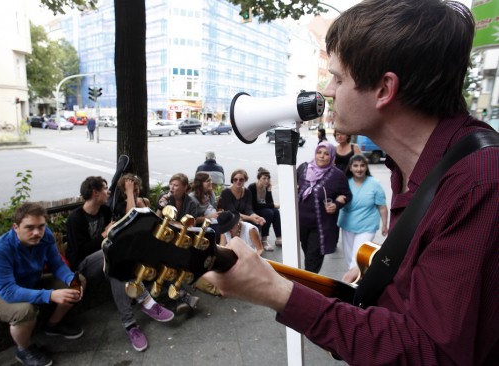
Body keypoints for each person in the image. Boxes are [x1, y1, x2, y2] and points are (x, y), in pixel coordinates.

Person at [203, 1, 498, 364]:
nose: (327, 91)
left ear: (384, 90)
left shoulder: (479, 184)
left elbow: (431, 354)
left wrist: (275, 292)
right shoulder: (416, 166)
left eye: (339, 78)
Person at [66, 176, 174, 353]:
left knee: (117, 265)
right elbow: (77, 254)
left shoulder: (105, 212)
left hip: (108, 260)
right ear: (94, 192)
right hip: (84, 267)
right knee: (115, 254)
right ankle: (147, 301)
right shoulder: (76, 219)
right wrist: (102, 236)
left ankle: (130, 325)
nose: (108, 192)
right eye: (105, 189)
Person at [0, 202, 84, 366]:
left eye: (41, 226)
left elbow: (57, 264)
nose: (37, 232)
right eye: (29, 227)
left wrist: (72, 279)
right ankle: (24, 349)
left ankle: (52, 325)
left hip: (30, 284)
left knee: (79, 281)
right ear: (16, 227)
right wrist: (50, 295)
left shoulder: (45, 235)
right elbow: (8, 291)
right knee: (25, 310)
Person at [297, 141, 351, 273]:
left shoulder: (338, 175)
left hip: (320, 227)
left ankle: (308, 286)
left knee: (312, 260)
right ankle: (308, 282)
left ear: (332, 156)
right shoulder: (303, 169)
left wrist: (336, 204)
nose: (321, 156)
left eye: (326, 154)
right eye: (319, 152)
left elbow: (347, 195)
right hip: (301, 224)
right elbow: (293, 185)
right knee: (307, 253)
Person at [155, 173, 200, 313]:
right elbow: (157, 221)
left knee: (173, 260)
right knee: (167, 261)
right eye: (171, 185)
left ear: (185, 187)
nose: (172, 188)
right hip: (165, 238)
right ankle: (184, 297)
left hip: (181, 239)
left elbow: (190, 226)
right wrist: (160, 207)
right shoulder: (165, 199)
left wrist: (173, 223)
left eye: (176, 185)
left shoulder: (191, 203)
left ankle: (180, 297)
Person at [337, 154, 388, 278]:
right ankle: (357, 280)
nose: (359, 169)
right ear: (350, 168)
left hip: (367, 226)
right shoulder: (344, 183)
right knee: (349, 258)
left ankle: (350, 284)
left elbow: (382, 207)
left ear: (366, 167)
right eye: (355, 166)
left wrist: (385, 225)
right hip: (347, 225)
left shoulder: (374, 184)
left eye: (362, 165)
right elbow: (335, 200)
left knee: (357, 257)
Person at [218, 169, 268, 249]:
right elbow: (232, 211)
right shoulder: (226, 192)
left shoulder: (247, 192)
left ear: (245, 180)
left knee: (258, 222)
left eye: (241, 179)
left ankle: (257, 245)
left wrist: (257, 217)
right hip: (232, 218)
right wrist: (251, 218)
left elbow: (249, 209)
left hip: (243, 218)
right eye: (235, 179)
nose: (238, 181)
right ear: (232, 180)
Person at [247, 167, 282, 247]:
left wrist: (269, 191)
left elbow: (270, 203)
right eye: (264, 178)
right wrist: (272, 205)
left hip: (262, 209)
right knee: (269, 212)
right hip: (253, 211)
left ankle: (278, 238)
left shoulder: (266, 187)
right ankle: (264, 240)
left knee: (276, 211)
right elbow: (254, 205)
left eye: (268, 178)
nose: (267, 180)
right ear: (259, 178)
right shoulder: (252, 187)